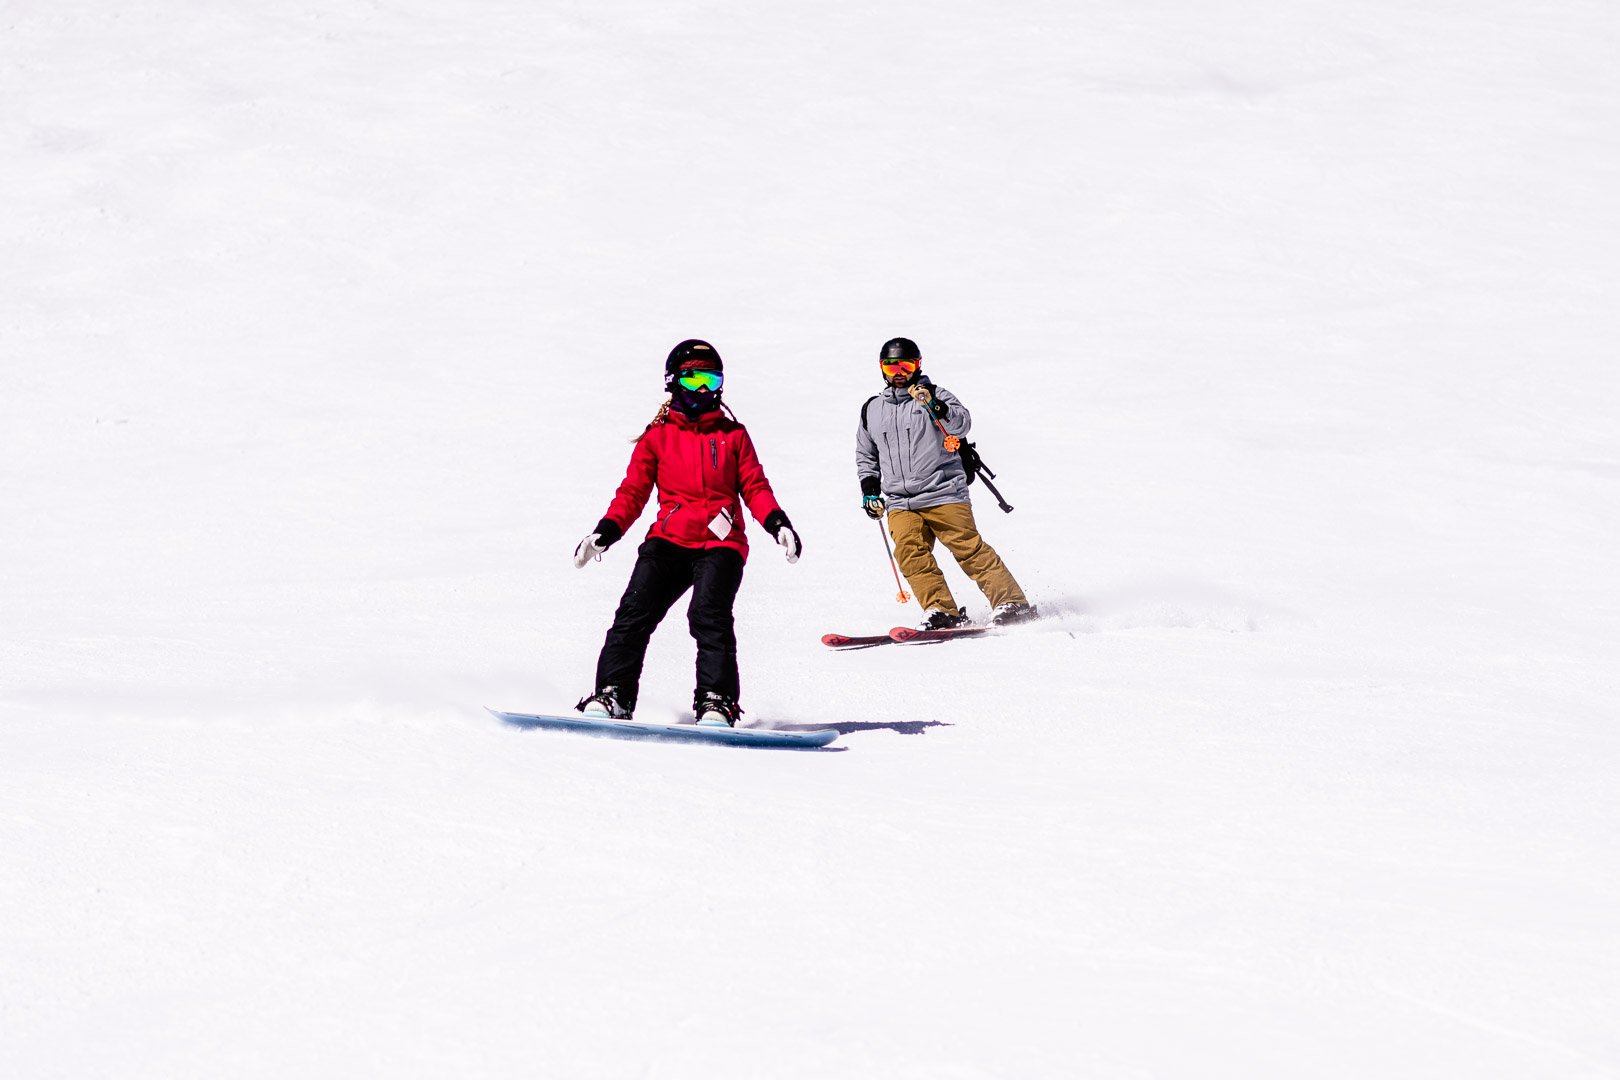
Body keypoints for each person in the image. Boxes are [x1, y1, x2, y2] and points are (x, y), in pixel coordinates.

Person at [572, 339, 801, 727]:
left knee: (708, 614)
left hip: (721, 545)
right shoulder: (657, 438)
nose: (703, 390)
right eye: (694, 378)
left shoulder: (734, 435)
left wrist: (777, 523)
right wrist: (605, 533)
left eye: (711, 379)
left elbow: (755, 486)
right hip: (668, 541)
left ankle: (718, 701)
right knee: (633, 614)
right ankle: (614, 694)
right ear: (674, 381)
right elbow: (632, 493)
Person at [855, 337, 1035, 630]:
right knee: (910, 554)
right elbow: (866, 454)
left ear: (918, 365)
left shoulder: (935, 394)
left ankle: (1012, 602)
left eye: (906, 364)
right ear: (882, 369)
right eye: (891, 366)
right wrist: (870, 490)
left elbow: (961, 424)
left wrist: (936, 406)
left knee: (969, 550)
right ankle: (941, 610)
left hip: (943, 491)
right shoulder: (872, 409)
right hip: (901, 501)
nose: (898, 371)